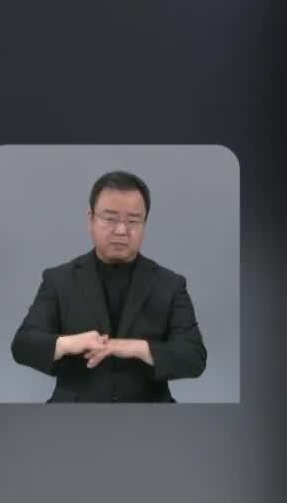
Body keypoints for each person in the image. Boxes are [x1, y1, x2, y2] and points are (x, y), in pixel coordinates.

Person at [10, 170, 207, 402]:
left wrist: (135, 348)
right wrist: (70, 343)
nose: (121, 230)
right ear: (90, 218)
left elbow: (194, 358)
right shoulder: (59, 280)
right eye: (110, 219)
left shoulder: (170, 285)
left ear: (145, 224)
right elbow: (22, 345)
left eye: (133, 221)